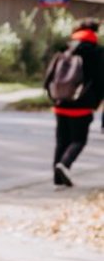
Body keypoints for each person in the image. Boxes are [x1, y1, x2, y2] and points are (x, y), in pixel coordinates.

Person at [44, 19, 104, 186]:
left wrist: (52, 96)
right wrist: (96, 101)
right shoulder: (96, 52)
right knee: (79, 139)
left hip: (60, 101)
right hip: (82, 103)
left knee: (62, 140)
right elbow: (100, 80)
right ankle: (65, 164)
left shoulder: (65, 47)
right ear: (94, 32)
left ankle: (57, 179)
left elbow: (50, 73)